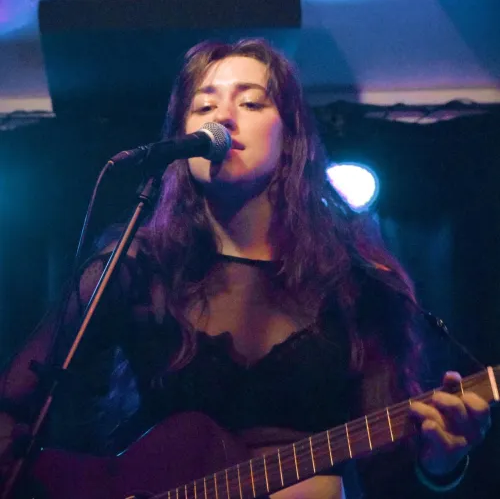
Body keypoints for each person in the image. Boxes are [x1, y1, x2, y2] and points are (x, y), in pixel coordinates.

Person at [0, 38, 492, 499]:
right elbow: (14, 409)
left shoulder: (355, 276)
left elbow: (393, 468)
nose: (224, 118)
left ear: (291, 134)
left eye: (251, 102)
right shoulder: (137, 267)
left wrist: (443, 461)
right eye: (205, 105)